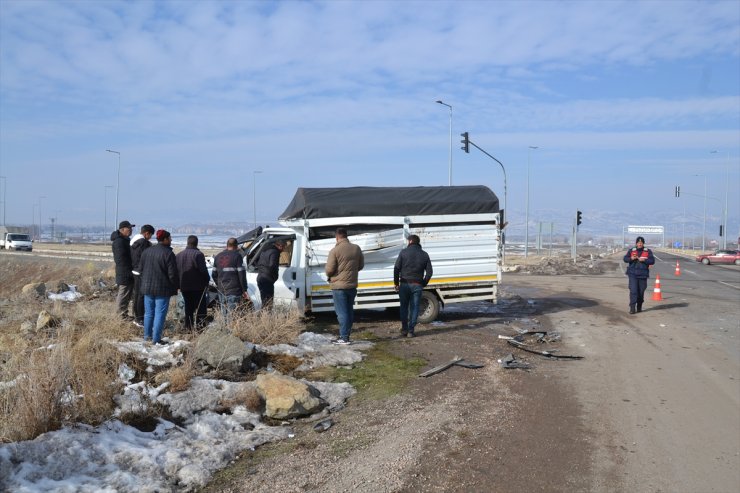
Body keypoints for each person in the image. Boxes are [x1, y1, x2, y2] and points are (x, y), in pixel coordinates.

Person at [139, 229, 179, 345]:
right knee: (159, 314)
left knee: (148, 313)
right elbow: (172, 274)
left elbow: (140, 269)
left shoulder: (147, 251)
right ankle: (156, 339)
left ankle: (147, 337)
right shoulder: (168, 253)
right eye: (170, 238)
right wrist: (175, 286)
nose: (171, 240)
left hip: (147, 288)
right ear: (165, 239)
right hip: (162, 289)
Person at [325, 228, 364, 345]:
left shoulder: (334, 251)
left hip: (339, 286)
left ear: (337, 237)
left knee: (342, 313)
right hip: (352, 285)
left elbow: (329, 270)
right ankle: (346, 335)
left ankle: (344, 338)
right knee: (349, 311)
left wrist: (330, 273)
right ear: (346, 236)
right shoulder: (356, 248)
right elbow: (361, 265)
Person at [393, 234, 433, 337]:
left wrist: (396, 283)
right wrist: (423, 283)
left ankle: (404, 329)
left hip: (404, 284)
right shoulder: (424, 255)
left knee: (404, 307)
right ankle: (411, 331)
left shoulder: (403, 253)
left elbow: (396, 269)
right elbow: (429, 272)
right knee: (415, 308)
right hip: (417, 285)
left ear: (410, 241)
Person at [176, 235, 210, 330]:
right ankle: (200, 328)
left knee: (188, 307)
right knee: (200, 308)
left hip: (184, 286)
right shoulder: (198, 254)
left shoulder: (179, 255)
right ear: (196, 243)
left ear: (187, 242)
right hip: (197, 286)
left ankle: (188, 328)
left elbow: (176, 271)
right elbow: (203, 270)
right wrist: (207, 280)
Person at [212, 237, 248, 321]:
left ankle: (225, 332)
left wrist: (219, 284)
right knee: (232, 316)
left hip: (222, 290)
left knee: (224, 315)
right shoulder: (237, 256)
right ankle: (230, 333)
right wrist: (244, 290)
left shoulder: (218, 256)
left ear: (227, 245)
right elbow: (241, 274)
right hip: (234, 290)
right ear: (236, 246)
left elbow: (214, 274)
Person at [130, 224, 155, 328]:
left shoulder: (134, 241)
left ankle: (137, 316)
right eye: (150, 235)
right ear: (146, 233)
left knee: (136, 295)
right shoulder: (143, 243)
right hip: (141, 272)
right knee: (141, 295)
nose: (150, 237)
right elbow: (145, 257)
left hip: (134, 270)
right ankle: (140, 318)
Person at [623, 236, 655, 314]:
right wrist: (631, 258)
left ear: (643, 243)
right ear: (636, 243)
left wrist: (644, 260)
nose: (639, 244)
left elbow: (652, 261)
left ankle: (639, 306)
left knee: (641, 292)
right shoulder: (631, 250)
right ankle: (632, 308)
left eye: (641, 243)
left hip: (643, 275)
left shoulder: (648, 251)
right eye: (638, 243)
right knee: (633, 291)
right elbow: (625, 259)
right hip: (633, 274)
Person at [111, 220, 135, 321]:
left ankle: (123, 314)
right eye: (128, 228)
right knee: (123, 293)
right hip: (124, 272)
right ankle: (119, 316)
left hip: (127, 271)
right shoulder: (119, 242)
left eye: (131, 228)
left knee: (127, 294)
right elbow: (121, 259)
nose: (130, 230)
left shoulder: (124, 240)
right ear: (122, 230)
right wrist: (128, 271)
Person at [255, 239, 285, 310]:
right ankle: (266, 318)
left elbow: (257, 262)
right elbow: (272, 265)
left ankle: (264, 318)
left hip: (260, 277)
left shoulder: (265, 250)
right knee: (268, 303)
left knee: (264, 302)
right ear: (280, 246)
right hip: (267, 279)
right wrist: (274, 276)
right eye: (283, 247)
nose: (283, 250)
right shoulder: (275, 252)